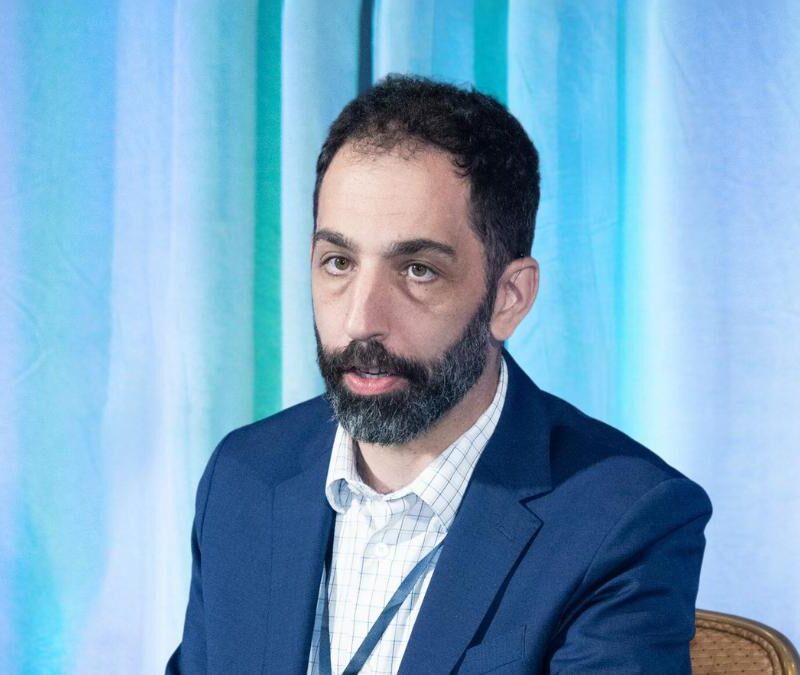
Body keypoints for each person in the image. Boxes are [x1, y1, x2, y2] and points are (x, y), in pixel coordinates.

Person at [167, 75, 711, 674]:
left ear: (509, 297)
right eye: (338, 262)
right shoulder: (244, 477)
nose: (360, 319)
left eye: (418, 270)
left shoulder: (625, 520)